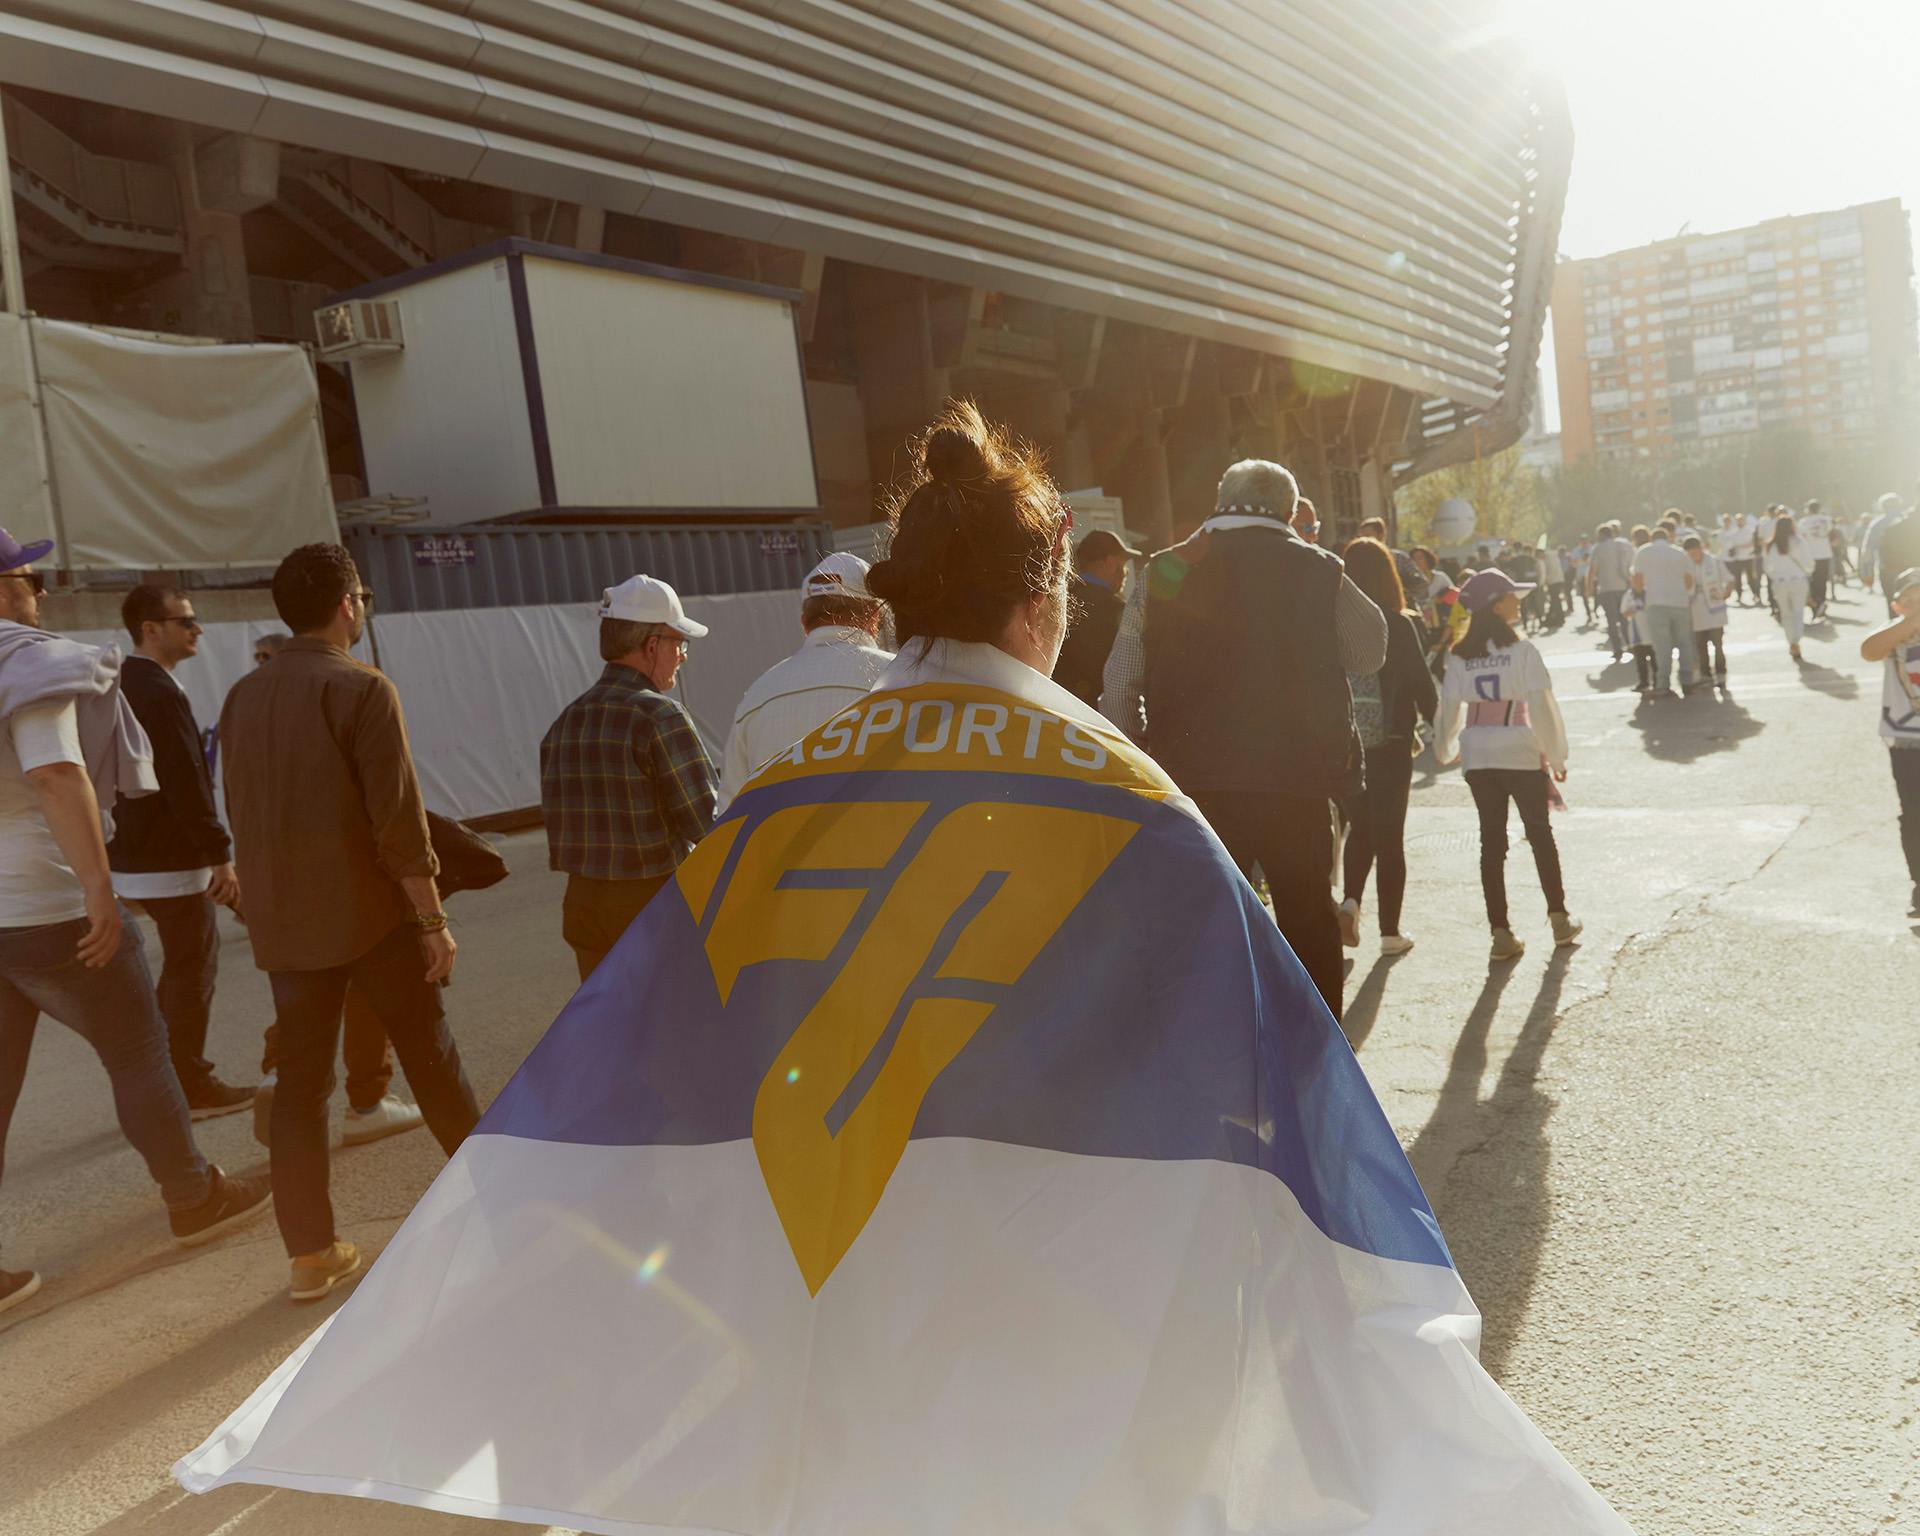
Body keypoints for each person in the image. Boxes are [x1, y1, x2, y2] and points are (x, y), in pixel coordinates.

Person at [0, 531, 271, 1314]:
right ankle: (194, 1197)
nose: (39, 594)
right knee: (137, 1049)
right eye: (30, 579)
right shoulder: (26, 663)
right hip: (46, 898)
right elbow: (57, 774)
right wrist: (97, 887)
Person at [221, 543, 480, 1302]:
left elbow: (243, 808)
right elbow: (398, 820)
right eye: (361, 597)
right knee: (432, 1061)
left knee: (302, 1086)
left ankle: (311, 1255)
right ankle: (503, 1200)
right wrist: (431, 918)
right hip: (370, 916)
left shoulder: (243, 696)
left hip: (285, 923)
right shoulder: (363, 687)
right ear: (346, 605)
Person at [1107, 459, 1387, 1022]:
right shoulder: (1317, 568)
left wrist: (1141, 757)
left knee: (1210, 919)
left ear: (1220, 500)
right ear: (1289, 510)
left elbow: (1121, 678)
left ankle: (1222, 1043)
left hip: (1197, 782)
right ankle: (1317, 1045)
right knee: (1307, 917)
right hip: (1297, 781)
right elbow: (1369, 650)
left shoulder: (1166, 568)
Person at [104, 585, 254, 1119]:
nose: (198, 629)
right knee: (191, 970)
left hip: (132, 852)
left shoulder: (120, 680)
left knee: (175, 971)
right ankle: (189, 1086)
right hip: (170, 856)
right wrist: (219, 853)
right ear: (151, 629)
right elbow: (186, 780)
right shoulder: (158, 690)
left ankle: (169, 1082)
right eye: (186, 621)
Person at [540, 574, 716, 982]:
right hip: (651, 909)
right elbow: (707, 825)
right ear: (652, 646)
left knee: (607, 1020)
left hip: (584, 907)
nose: (682, 656)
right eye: (679, 643)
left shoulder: (566, 721)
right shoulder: (660, 716)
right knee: (669, 1019)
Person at [1435, 569, 1580, 963]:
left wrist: (1444, 747)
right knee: (1540, 834)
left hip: (1478, 753)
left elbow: (1448, 707)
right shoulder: (1522, 652)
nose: (1518, 602)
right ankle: (1559, 918)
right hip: (1519, 749)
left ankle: (1500, 932)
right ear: (1496, 605)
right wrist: (1556, 753)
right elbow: (1542, 707)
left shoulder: (1460, 657)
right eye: (1511, 597)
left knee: (1491, 843)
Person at [718, 553, 893, 810]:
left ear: (804, 623)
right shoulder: (901, 677)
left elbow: (730, 809)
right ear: (874, 617)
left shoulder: (757, 696)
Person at [1336, 539, 1436, 956]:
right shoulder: (1398, 623)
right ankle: (1390, 934)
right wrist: (1441, 730)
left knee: (1361, 828)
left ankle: (1350, 903)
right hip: (1392, 743)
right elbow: (1422, 686)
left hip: (1347, 745)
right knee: (1390, 838)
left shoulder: (1334, 625)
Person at [1860, 567, 1920, 917]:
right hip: (1906, 739)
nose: (1916, 606)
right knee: (1913, 813)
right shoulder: (1893, 634)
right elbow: (1868, 650)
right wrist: (1909, 623)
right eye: (1909, 601)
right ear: (1897, 606)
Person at [1050, 529, 1139, 708]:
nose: (1126, 573)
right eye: (1123, 564)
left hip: (1060, 706)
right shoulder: (1117, 610)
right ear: (1110, 563)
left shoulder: (1057, 602)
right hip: (1101, 712)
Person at [1630, 522, 1698, 698]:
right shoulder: (1679, 553)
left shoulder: (1643, 552)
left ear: (1651, 537)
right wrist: (1683, 592)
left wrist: (1643, 592)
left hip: (1655, 603)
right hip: (1680, 602)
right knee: (1684, 643)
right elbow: (1689, 579)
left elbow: (1637, 579)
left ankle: (1663, 683)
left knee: (1662, 645)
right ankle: (1687, 681)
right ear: (1668, 538)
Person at [1764, 512, 1817, 663]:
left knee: (1786, 614)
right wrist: (1808, 572)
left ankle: (1791, 641)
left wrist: (1776, 577)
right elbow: (1809, 562)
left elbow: (1767, 567)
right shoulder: (1799, 541)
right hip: (1798, 580)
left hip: (1780, 582)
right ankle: (1796, 641)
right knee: (1798, 613)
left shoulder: (1772, 544)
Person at [1683, 535, 1731, 690]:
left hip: (1714, 609)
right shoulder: (1685, 565)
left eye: (1696, 551)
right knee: (1700, 646)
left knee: (1718, 644)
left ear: (1701, 548)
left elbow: (1730, 579)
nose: (1694, 555)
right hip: (1695, 610)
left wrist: (1725, 594)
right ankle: (1706, 675)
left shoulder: (1714, 561)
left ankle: (1721, 674)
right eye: (1691, 553)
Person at [1587, 520, 1634, 660]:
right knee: (1625, 619)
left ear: (1600, 535)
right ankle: (1631, 644)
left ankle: (1617, 649)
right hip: (1623, 587)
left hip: (1606, 588)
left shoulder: (1598, 548)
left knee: (1611, 620)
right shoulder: (1623, 544)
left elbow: (1592, 570)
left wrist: (1589, 588)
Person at [1798, 500, 1833, 619]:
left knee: (1811, 581)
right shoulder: (1826, 520)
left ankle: (1815, 604)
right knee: (1822, 580)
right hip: (1825, 554)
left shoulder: (1803, 522)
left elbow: (1800, 537)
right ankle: (1821, 601)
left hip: (1810, 555)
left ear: (1808, 509)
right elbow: (1829, 531)